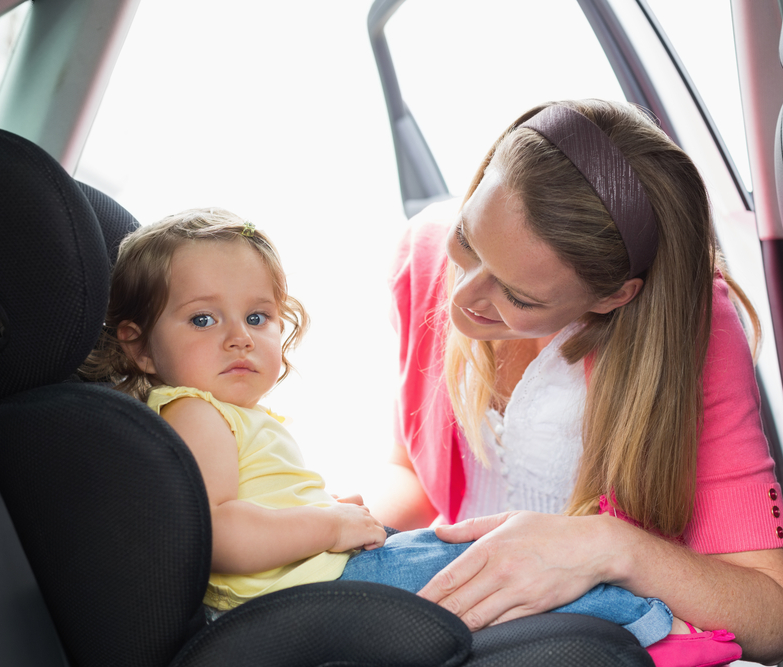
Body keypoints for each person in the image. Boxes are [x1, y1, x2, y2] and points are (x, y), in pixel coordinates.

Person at [80, 207, 676, 648]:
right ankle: (655, 626)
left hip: (314, 575)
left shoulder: (223, 413)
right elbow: (219, 532)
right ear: (140, 347)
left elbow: (252, 507)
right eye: (202, 320)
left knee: (461, 551)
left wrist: (322, 514)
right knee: (489, 564)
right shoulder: (194, 412)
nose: (239, 337)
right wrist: (326, 526)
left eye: (257, 317)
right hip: (309, 589)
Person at [372, 100, 783, 666]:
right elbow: (411, 472)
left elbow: (773, 619)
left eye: (518, 296)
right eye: (468, 241)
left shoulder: (691, 329)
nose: (462, 296)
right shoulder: (423, 251)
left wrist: (607, 547)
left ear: (612, 297)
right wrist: (345, 526)